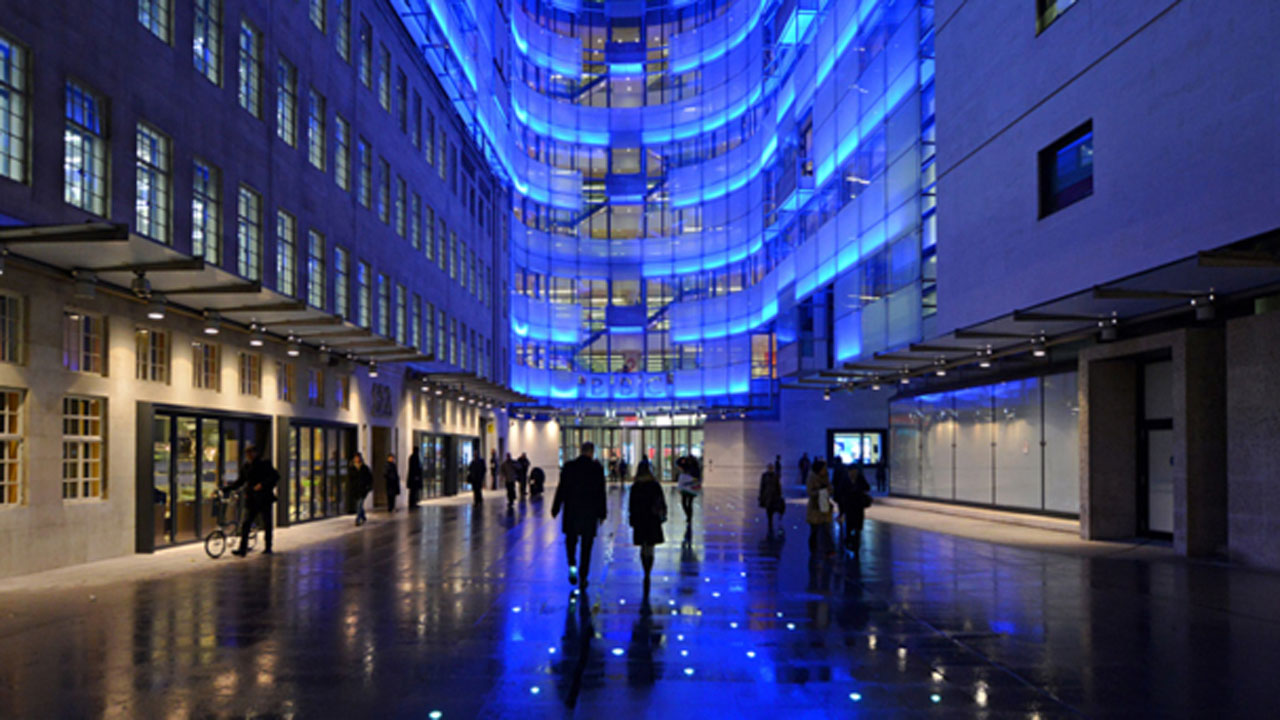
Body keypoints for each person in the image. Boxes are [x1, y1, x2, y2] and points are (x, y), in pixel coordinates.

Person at [552, 441, 607, 590]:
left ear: (580, 451)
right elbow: (601, 493)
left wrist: (555, 507)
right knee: (586, 546)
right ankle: (583, 576)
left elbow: (561, 488)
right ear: (592, 452)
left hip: (572, 512)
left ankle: (572, 566)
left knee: (571, 542)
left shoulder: (569, 467)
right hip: (589, 513)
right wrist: (602, 513)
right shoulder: (596, 468)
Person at [223, 445, 279, 556]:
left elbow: (275, 477)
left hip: (264, 498)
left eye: (250, 453)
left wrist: (262, 485)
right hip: (251, 499)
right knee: (246, 523)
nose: (248, 456)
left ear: (255, 453)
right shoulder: (246, 466)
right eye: (247, 454)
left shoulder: (265, 463)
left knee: (267, 523)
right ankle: (242, 548)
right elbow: (241, 481)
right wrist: (227, 488)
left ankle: (268, 546)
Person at [628, 463, 667, 604]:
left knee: (643, 544)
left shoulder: (635, 487)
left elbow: (631, 505)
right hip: (652, 519)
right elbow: (661, 502)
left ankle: (644, 566)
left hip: (640, 519)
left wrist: (631, 519)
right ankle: (648, 571)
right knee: (650, 545)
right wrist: (663, 515)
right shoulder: (655, 485)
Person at [806, 458, 834, 558]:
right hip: (815, 507)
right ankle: (813, 548)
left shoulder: (826, 477)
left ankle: (829, 550)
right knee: (815, 530)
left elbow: (831, 488)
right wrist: (819, 492)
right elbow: (809, 492)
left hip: (824, 506)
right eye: (823, 468)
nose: (825, 470)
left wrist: (828, 491)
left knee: (826, 529)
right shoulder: (811, 477)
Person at [845, 467, 873, 558]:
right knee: (851, 526)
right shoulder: (846, 479)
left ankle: (855, 545)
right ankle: (850, 542)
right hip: (851, 506)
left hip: (857, 506)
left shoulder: (859, 479)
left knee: (857, 527)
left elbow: (867, 487)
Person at [831, 457, 854, 548]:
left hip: (839, 489)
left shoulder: (837, 468)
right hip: (844, 489)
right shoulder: (844, 468)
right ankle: (842, 513)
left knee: (840, 501)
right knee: (843, 501)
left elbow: (835, 479)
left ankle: (841, 514)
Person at [757, 461, 785, 535]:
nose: (770, 469)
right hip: (767, 495)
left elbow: (778, 486)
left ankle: (772, 519)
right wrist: (761, 495)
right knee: (769, 509)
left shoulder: (775, 476)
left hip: (774, 495)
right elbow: (762, 486)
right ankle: (770, 521)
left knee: (773, 508)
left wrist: (779, 494)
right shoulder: (764, 475)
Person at [676, 456, 701, 530]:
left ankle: (688, 517)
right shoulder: (694, 468)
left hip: (686, 488)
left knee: (684, 502)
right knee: (689, 503)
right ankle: (689, 517)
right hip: (692, 488)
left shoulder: (686, 469)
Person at [352, 452, 374, 526]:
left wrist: (368, 487)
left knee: (359, 504)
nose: (357, 459)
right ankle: (363, 516)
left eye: (358, 457)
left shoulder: (364, 467)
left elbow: (369, 478)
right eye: (355, 457)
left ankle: (357, 519)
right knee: (358, 505)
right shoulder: (352, 468)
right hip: (355, 489)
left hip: (362, 489)